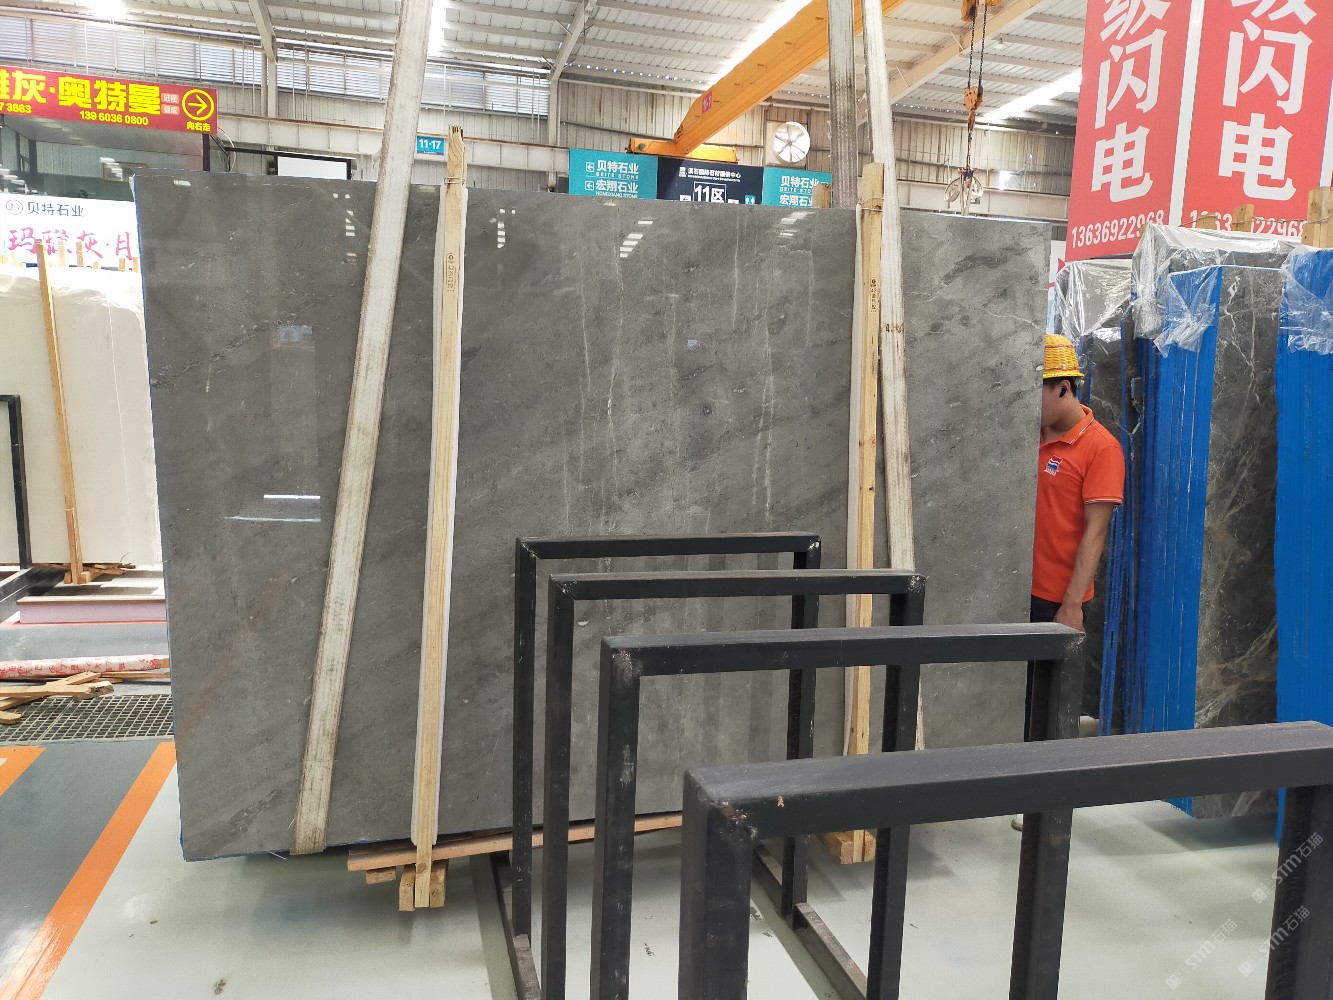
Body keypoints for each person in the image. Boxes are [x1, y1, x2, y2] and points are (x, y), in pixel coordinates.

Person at [1013, 334, 1125, 832]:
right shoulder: (1031, 436)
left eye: (1034, 391)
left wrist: (1072, 604)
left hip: (1057, 597)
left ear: (1063, 387)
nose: (1029, 405)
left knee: (1047, 700)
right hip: (1017, 589)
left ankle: (1043, 802)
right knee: (1024, 697)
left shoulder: (1101, 449)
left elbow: (1095, 533)